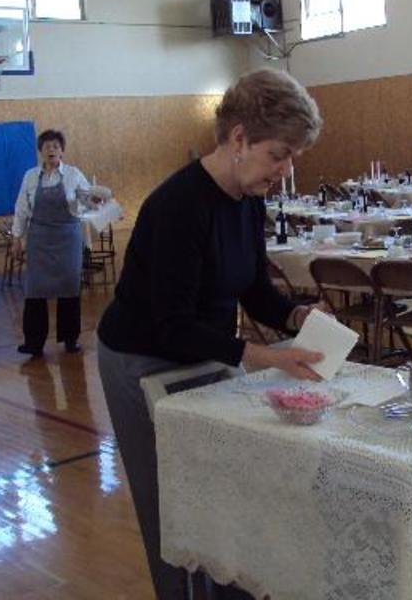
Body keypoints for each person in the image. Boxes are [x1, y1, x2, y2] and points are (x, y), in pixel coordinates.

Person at [97, 68, 325, 599]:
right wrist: (264, 357)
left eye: (293, 157)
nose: (286, 170)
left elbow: (253, 288)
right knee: (170, 505)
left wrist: (299, 317)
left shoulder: (249, 199)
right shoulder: (177, 206)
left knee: (226, 493)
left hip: (206, 350)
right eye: (279, 154)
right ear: (239, 138)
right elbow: (172, 325)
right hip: (141, 359)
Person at [12, 129, 101, 357]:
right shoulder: (30, 176)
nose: (51, 150)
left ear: (62, 151)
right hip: (39, 240)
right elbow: (21, 208)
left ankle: (70, 339)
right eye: (47, 146)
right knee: (35, 291)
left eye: (56, 146)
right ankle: (34, 343)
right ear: (40, 151)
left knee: (70, 288)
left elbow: (88, 201)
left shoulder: (73, 174)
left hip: (68, 240)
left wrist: (96, 201)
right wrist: (17, 238)